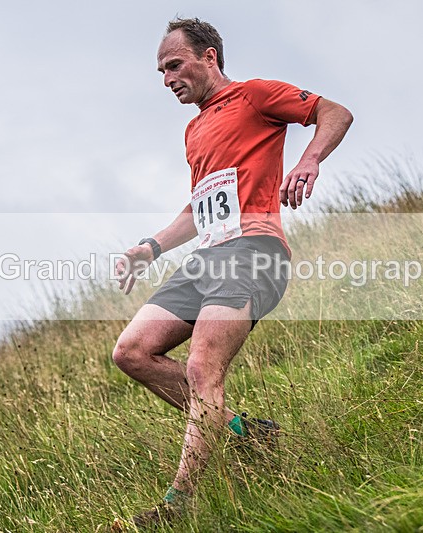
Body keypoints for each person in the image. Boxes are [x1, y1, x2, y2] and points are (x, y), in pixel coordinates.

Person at [111, 17, 352, 529]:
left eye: (175, 65)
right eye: (160, 71)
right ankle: (248, 434)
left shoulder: (257, 95)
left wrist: (308, 162)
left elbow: (335, 111)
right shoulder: (194, 129)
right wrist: (150, 248)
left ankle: (177, 507)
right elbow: (199, 209)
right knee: (132, 351)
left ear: (209, 58)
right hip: (207, 258)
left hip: (254, 251)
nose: (167, 78)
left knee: (202, 371)